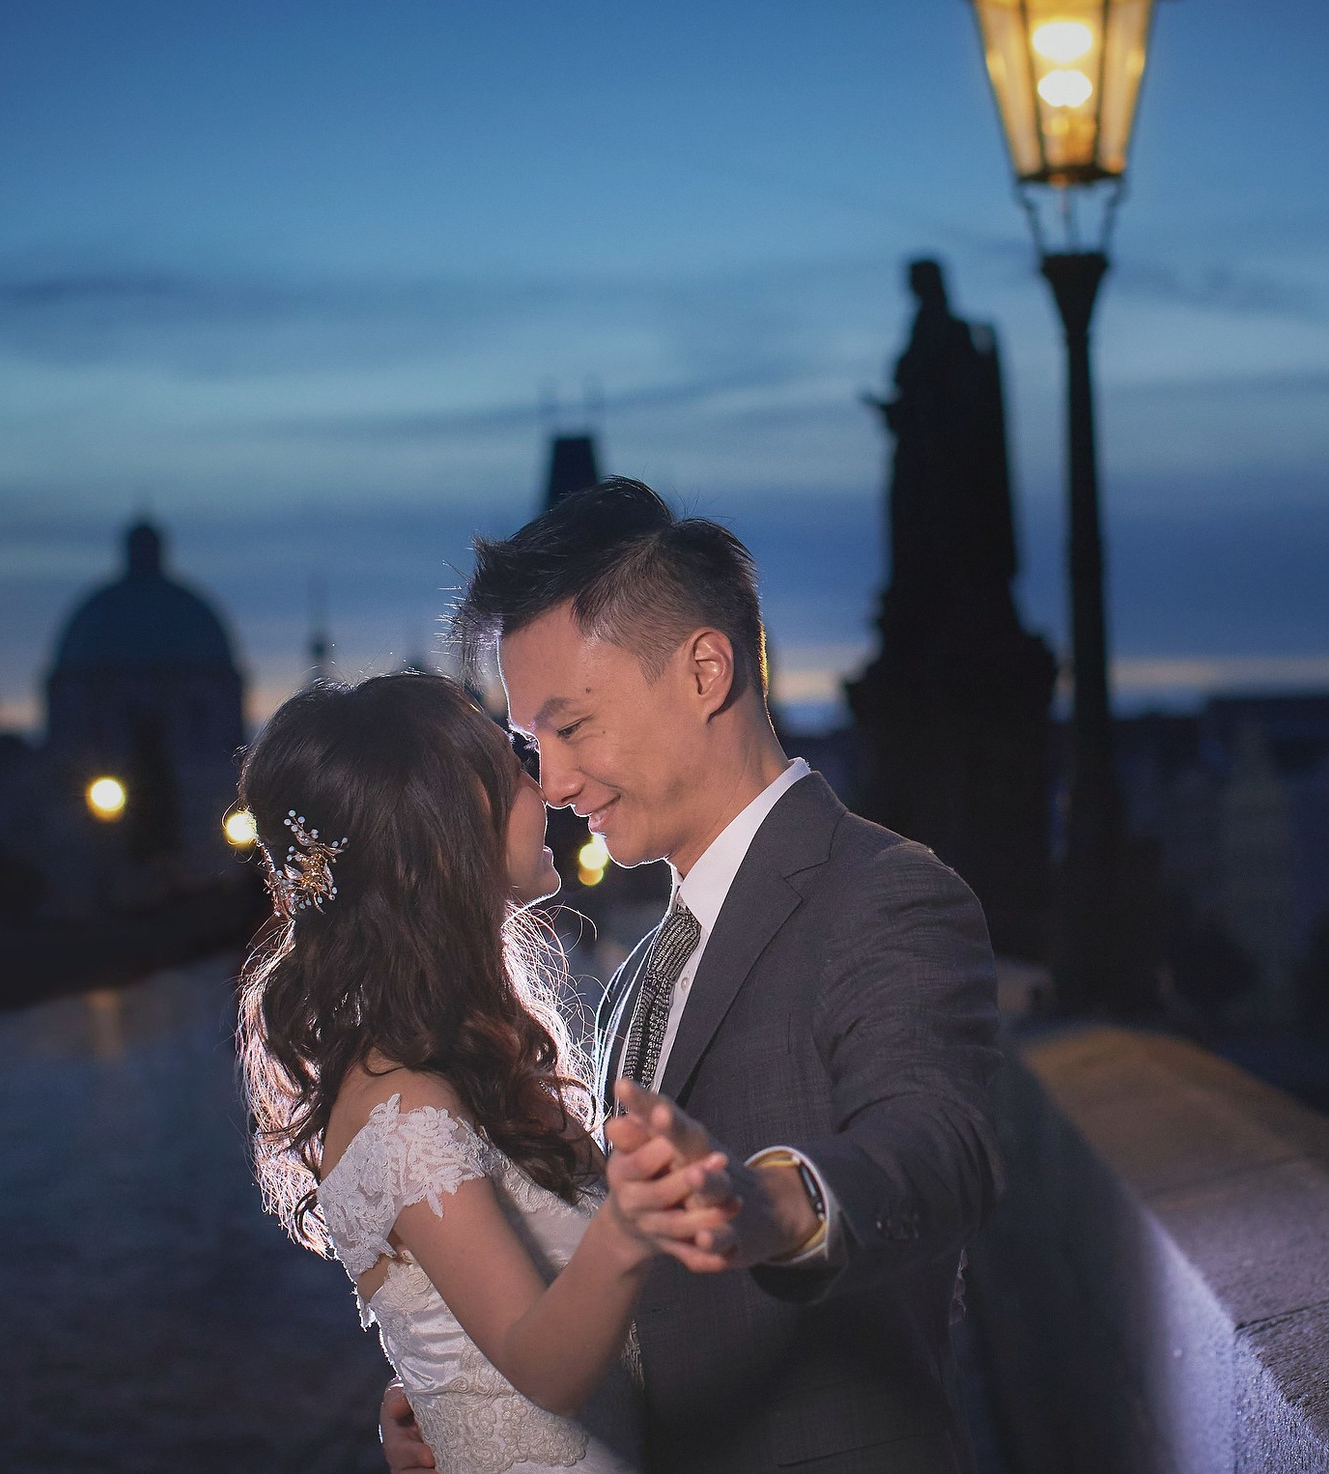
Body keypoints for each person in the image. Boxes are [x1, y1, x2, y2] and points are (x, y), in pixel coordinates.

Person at [386, 477, 1006, 1473]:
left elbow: (941, 1147)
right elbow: (631, 1291)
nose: (550, 782)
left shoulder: (886, 892)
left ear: (705, 669)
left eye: (571, 725)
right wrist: (475, 1399)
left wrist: (768, 1204)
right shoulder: (636, 974)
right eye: (531, 742)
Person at [237, 672, 744, 1474]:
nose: (546, 783)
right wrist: (631, 1222)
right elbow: (544, 1370)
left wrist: (451, 1404)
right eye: (516, 771)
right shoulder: (402, 1109)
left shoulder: (462, 1059)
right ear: (449, 834)